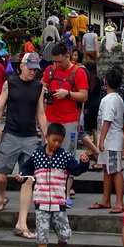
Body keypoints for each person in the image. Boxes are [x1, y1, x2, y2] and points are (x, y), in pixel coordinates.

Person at [18, 122, 93, 247]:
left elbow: (76, 169)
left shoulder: (64, 156)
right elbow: (27, 169)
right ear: (47, 138)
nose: (57, 144)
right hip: (41, 204)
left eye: (60, 141)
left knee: (65, 235)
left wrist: (84, 163)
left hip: (59, 203)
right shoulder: (37, 154)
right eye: (54, 140)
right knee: (42, 238)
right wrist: (22, 176)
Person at [0, 52, 48, 238]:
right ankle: (1, 195)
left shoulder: (39, 87)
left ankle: (21, 222)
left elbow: (41, 113)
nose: (32, 73)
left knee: (29, 179)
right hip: (11, 135)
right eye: (30, 69)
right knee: (0, 177)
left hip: (30, 137)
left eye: (35, 70)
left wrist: (46, 137)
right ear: (22, 66)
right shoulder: (10, 84)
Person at [42, 42, 89, 204]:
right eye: (54, 61)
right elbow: (42, 88)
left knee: (68, 156)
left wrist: (67, 93)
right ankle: (48, 190)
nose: (57, 65)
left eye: (60, 61)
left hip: (69, 120)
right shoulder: (50, 71)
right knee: (48, 154)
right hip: (50, 118)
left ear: (68, 57)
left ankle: (66, 193)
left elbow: (83, 96)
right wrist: (45, 93)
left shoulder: (78, 72)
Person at [87, 66, 124, 212]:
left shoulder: (109, 99)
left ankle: (119, 203)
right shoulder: (118, 98)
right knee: (107, 169)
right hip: (112, 138)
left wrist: (101, 140)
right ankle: (106, 199)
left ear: (105, 82)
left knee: (115, 169)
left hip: (111, 139)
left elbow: (107, 120)